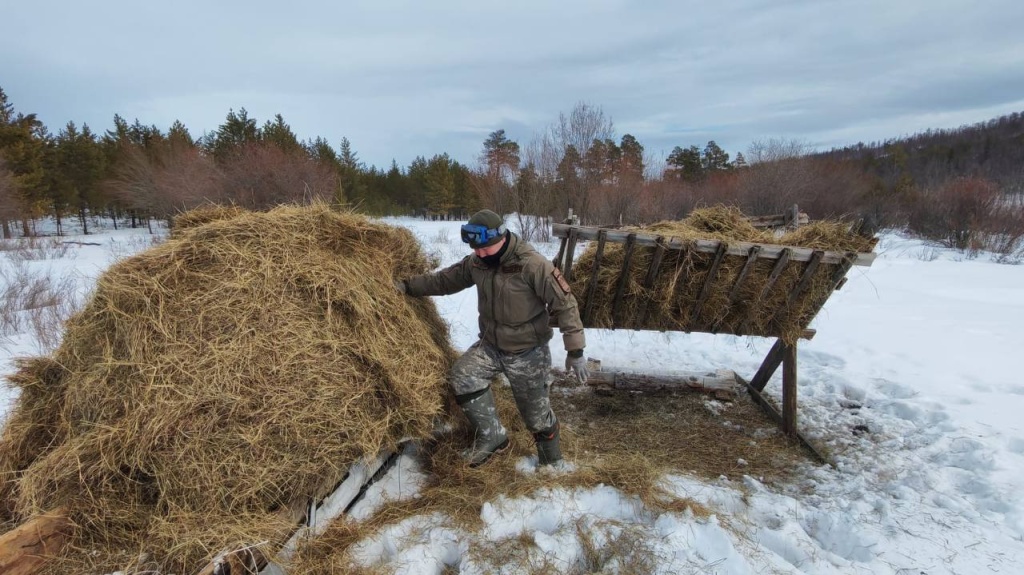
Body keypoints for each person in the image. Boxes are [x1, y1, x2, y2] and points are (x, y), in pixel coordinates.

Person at [396, 209, 588, 467]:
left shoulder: (532, 264)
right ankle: (492, 436)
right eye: (476, 249)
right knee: (462, 376)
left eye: (485, 248)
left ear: (502, 237)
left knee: (536, 417)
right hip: (491, 346)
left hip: (527, 351)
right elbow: (443, 281)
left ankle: (551, 462)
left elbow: (565, 305)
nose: (480, 254)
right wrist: (407, 286)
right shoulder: (477, 263)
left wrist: (575, 350)